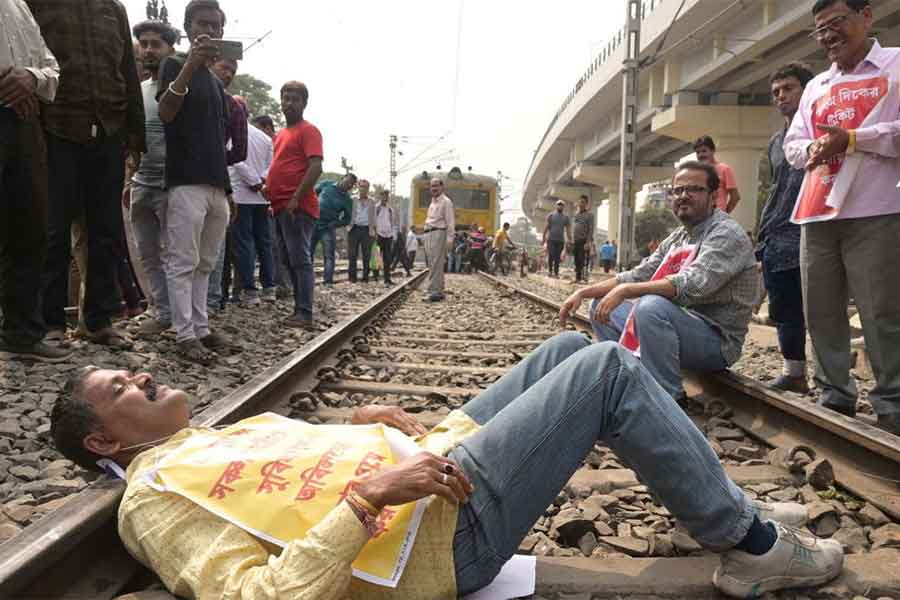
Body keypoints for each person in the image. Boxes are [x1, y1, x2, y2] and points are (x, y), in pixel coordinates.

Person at [50, 334, 842, 600]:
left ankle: (729, 503)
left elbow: (289, 484)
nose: (145, 376)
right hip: (434, 539)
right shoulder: (152, 500)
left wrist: (359, 430)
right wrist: (368, 495)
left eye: (135, 369)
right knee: (604, 369)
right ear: (103, 444)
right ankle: (751, 545)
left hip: (432, 470)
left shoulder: (204, 443)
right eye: (122, 389)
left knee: (568, 350)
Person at [784, 0, 900, 435]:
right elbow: (796, 142)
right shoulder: (816, 86)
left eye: (837, 23)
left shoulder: (895, 66)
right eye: (821, 29)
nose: (829, 35)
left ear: (866, 16)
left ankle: (892, 400)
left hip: (878, 209)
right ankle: (834, 394)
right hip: (816, 212)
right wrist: (813, 150)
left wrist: (853, 139)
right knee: (822, 311)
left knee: (882, 311)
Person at [561, 162, 757, 402]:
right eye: (677, 190)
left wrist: (627, 291)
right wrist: (584, 292)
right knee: (602, 304)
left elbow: (693, 284)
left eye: (694, 189)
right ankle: (630, 380)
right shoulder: (679, 236)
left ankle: (667, 400)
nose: (683, 195)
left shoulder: (726, 233)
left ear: (714, 196)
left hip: (716, 341)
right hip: (679, 325)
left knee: (651, 307)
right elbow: (639, 273)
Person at [32, 0, 145, 350]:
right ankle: (49, 323)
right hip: (55, 127)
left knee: (106, 231)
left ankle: (97, 322)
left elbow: (127, 68)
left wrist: (135, 136)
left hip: (109, 128)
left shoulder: (113, 8)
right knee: (53, 231)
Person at [155, 0, 234, 363]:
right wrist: (189, 64)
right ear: (188, 28)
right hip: (186, 181)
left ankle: (201, 327)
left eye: (216, 26)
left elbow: (221, 138)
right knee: (183, 260)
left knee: (205, 261)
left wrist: (227, 189)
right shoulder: (173, 64)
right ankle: (184, 333)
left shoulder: (217, 83)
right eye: (203, 24)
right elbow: (167, 112)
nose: (211, 31)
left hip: (216, 185)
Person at [0, 0, 69, 362]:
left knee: (28, 228)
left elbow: (50, 69)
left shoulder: (20, 7)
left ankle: (21, 333)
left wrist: (29, 79)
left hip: (23, 125)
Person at [757, 62, 816, 394]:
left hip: (811, 229)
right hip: (778, 235)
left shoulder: (822, 131)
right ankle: (794, 372)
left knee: (820, 309)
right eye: (776, 92)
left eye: (789, 88)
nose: (781, 96)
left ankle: (833, 382)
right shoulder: (776, 142)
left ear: (807, 90)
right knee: (783, 306)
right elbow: (777, 187)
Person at [128, 20, 179, 337]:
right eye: (143, 43)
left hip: (172, 184)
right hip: (140, 183)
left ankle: (179, 315)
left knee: (176, 255)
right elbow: (131, 139)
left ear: (170, 49)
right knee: (147, 253)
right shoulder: (138, 90)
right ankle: (160, 310)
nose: (148, 50)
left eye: (155, 44)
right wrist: (127, 179)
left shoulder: (180, 88)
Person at [266, 80, 323, 330]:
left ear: (304, 103)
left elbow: (315, 166)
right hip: (280, 206)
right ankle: (299, 311)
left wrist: (296, 198)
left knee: (300, 259)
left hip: (297, 207)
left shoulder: (308, 131)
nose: (288, 103)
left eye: (294, 99)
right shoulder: (280, 135)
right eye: (285, 98)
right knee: (289, 260)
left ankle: (305, 313)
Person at [207, 57, 248, 311]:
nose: (229, 74)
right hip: (209, 180)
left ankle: (209, 302)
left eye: (233, 71)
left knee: (212, 247)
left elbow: (240, 150)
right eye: (225, 68)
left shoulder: (233, 105)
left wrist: (215, 157)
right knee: (209, 247)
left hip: (214, 180)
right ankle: (207, 302)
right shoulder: (230, 104)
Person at [229, 98, 276, 305]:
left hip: (241, 196)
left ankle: (250, 291)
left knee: (244, 244)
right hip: (262, 199)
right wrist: (262, 181)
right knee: (264, 243)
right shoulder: (265, 139)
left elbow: (237, 161)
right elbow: (270, 165)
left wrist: (254, 183)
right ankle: (269, 288)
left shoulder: (232, 132)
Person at [313, 174, 356, 287]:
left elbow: (347, 219)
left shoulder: (347, 200)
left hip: (327, 227)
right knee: (308, 251)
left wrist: (335, 224)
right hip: (313, 222)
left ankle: (328, 282)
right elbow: (313, 193)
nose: (349, 185)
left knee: (328, 255)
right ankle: (306, 279)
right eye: (348, 181)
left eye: (351, 184)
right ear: (342, 178)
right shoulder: (326, 184)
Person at [423, 178, 455, 301]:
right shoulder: (433, 202)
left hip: (438, 233)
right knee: (433, 263)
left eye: (436, 186)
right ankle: (439, 289)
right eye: (432, 186)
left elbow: (450, 222)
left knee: (436, 263)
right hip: (429, 234)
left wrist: (450, 239)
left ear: (442, 187)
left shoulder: (446, 202)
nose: (434, 188)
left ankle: (433, 291)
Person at [693, 136, 740, 214]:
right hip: (699, 218)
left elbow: (735, 197)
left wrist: (724, 214)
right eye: (698, 152)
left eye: (704, 151)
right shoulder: (695, 172)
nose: (701, 155)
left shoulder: (724, 169)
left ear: (713, 151)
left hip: (717, 217)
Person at [348, 180, 376, 283]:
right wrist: (347, 225)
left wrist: (373, 230)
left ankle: (365, 277)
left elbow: (373, 217)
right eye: (362, 186)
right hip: (354, 228)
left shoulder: (372, 201)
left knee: (367, 255)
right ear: (358, 187)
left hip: (366, 229)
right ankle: (352, 277)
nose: (363, 188)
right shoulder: (352, 199)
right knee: (352, 254)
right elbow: (347, 212)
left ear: (368, 189)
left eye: (366, 187)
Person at [543, 200, 571, 278]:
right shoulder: (551, 216)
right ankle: (550, 271)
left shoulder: (566, 218)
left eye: (561, 205)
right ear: (556, 206)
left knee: (557, 257)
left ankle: (556, 273)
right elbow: (546, 227)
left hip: (560, 240)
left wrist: (570, 239)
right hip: (551, 239)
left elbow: (568, 229)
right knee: (551, 255)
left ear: (563, 207)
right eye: (559, 204)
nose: (560, 206)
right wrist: (543, 238)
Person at [375, 190, 396, 287]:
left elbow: (392, 222)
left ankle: (387, 279)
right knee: (377, 258)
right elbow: (373, 220)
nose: (386, 197)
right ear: (381, 196)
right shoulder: (377, 208)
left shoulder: (390, 209)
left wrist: (392, 234)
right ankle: (376, 277)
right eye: (384, 195)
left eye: (387, 196)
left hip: (388, 236)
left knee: (387, 259)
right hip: (378, 235)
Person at [572, 195, 595, 283]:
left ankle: (584, 277)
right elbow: (575, 227)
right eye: (580, 202)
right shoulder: (576, 215)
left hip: (584, 241)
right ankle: (577, 278)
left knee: (583, 259)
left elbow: (591, 229)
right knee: (576, 260)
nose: (581, 204)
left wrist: (588, 242)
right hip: (576, 240)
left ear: (586, 204)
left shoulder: (590, 215)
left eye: (583, 202)